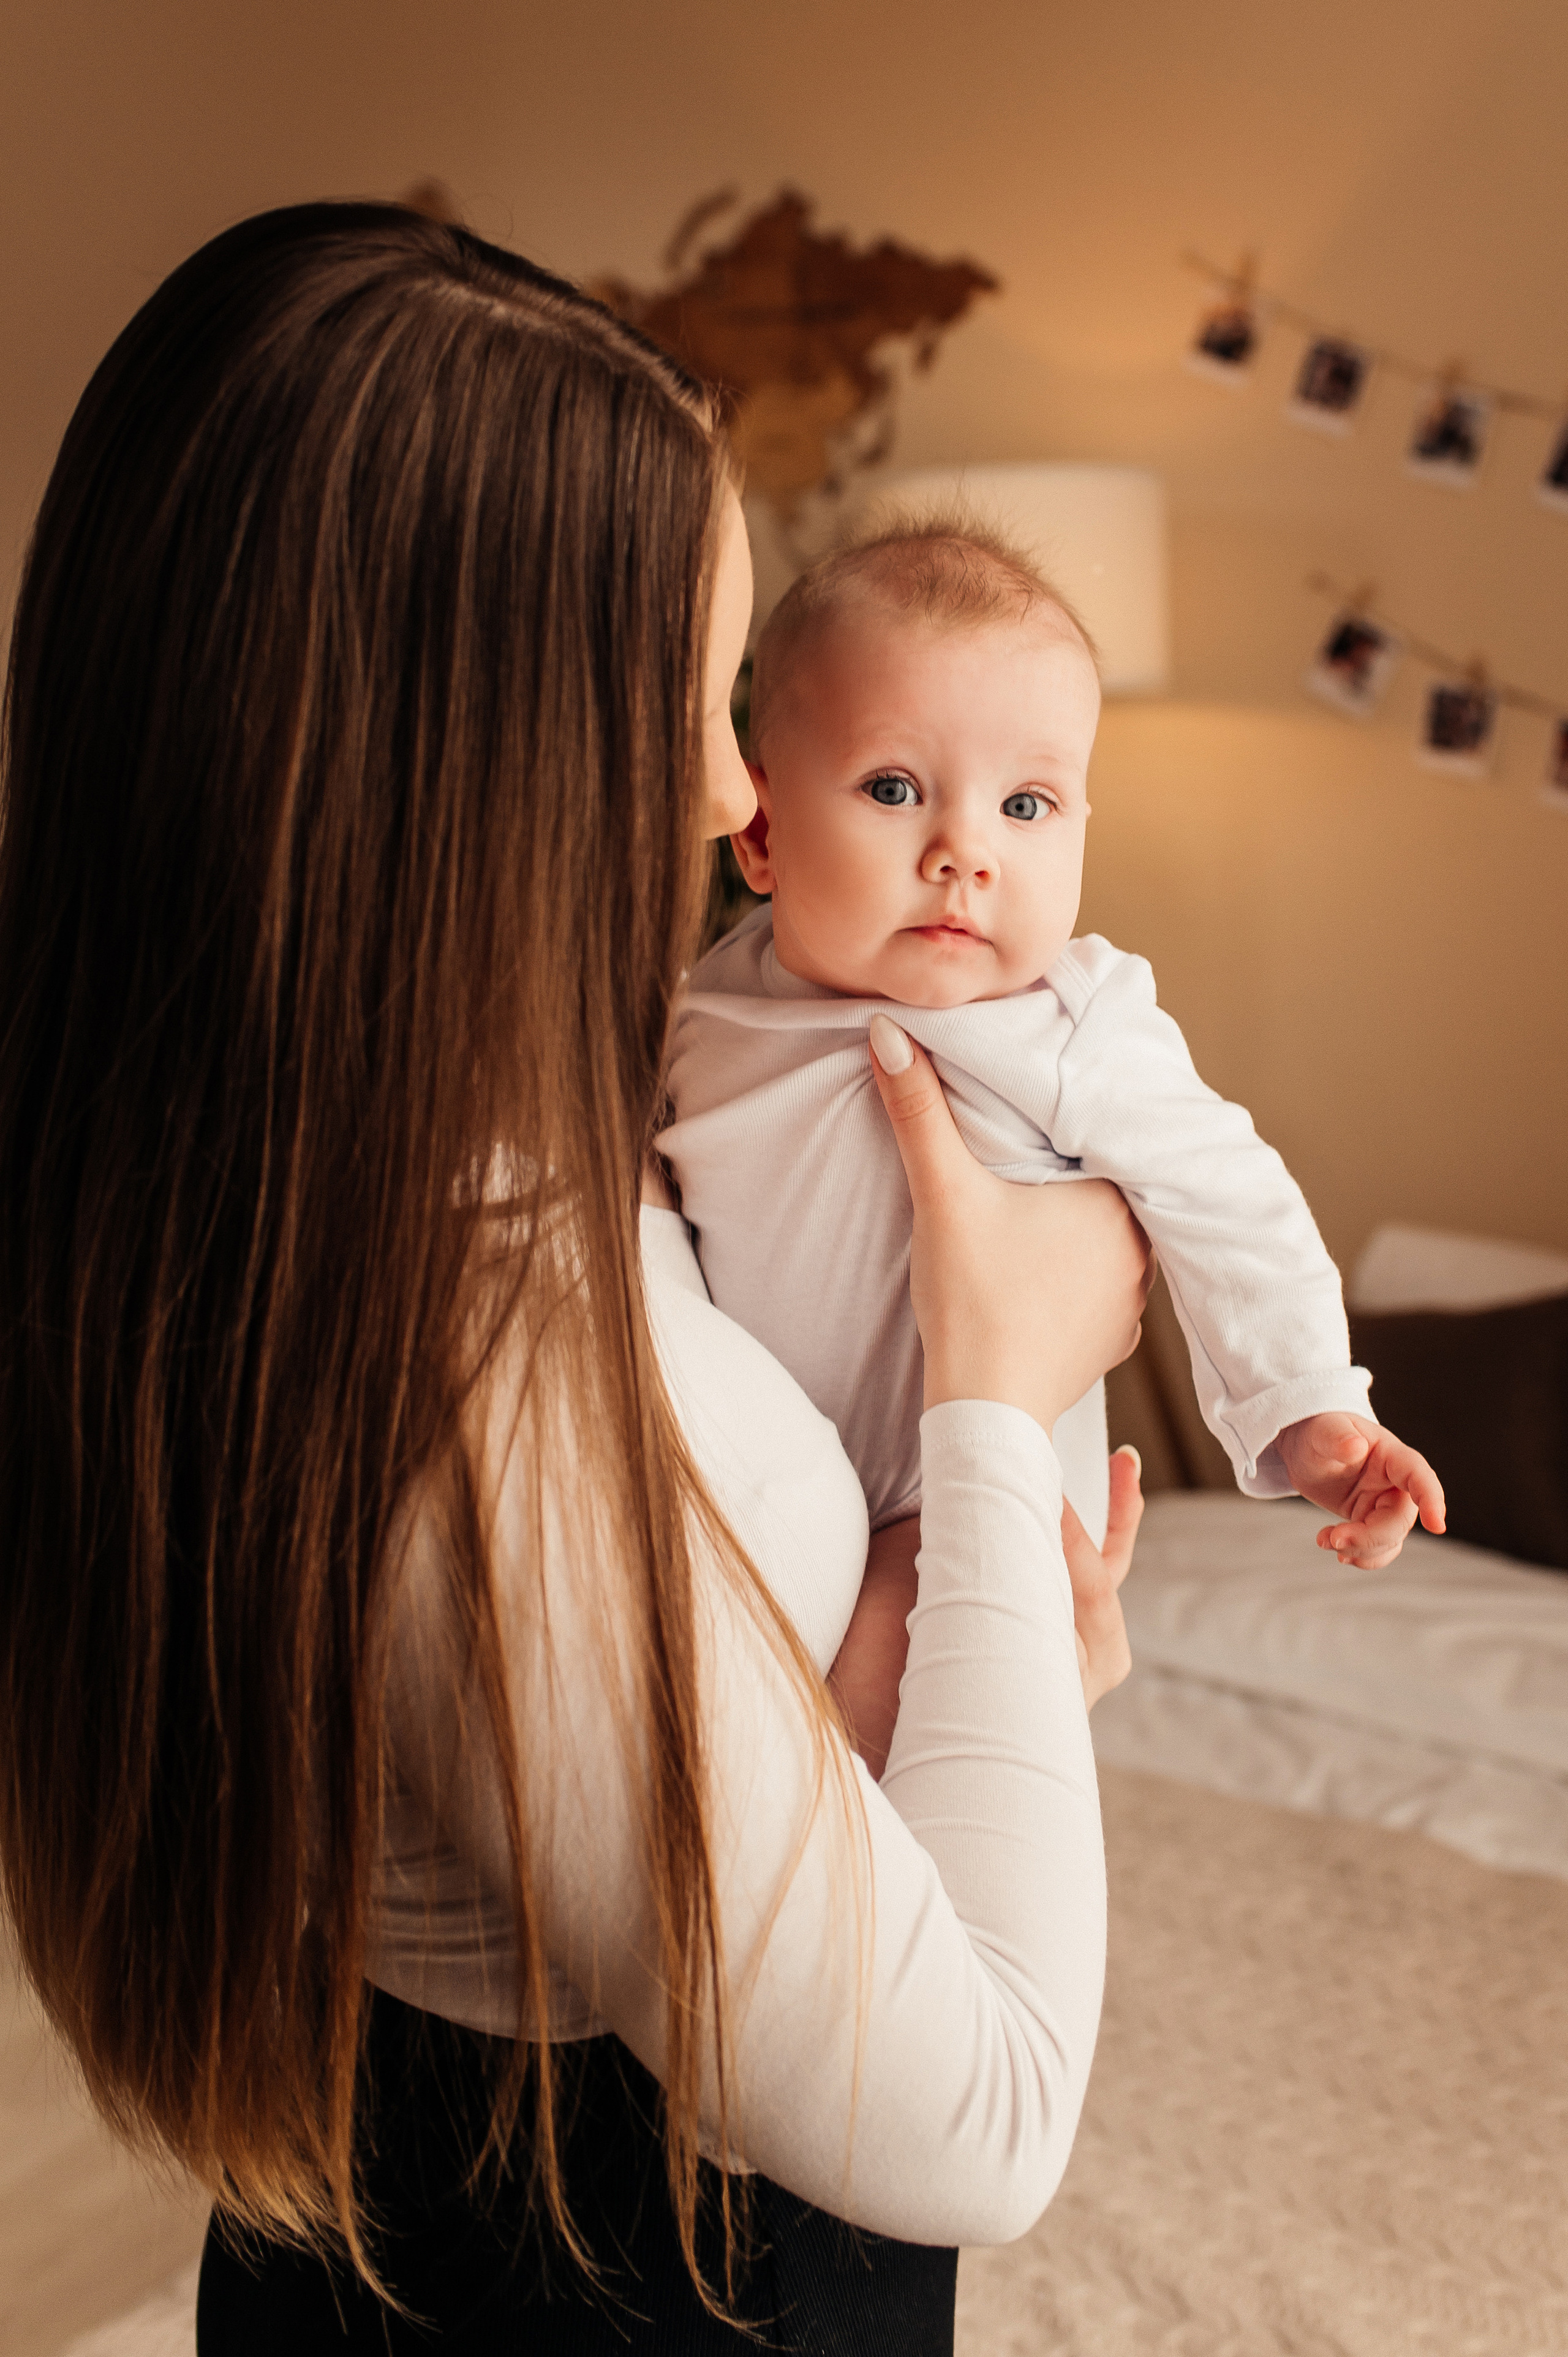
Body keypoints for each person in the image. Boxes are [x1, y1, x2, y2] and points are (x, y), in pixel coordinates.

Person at [0, 205, 1153, 2353]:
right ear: (473, 746)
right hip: (633, 2270)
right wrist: (1002, 1390)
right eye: (696, 696)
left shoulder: (324, 1172)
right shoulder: (463, 1358)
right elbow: (984, 2116)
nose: (739, 784)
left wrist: (918, 1679)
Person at [659, 523, 1446, 1765]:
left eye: (1024, 805)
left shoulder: (1066, 1023)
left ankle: (869, 1914)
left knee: (851, 1727)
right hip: (762, 1480)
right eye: (890, 788)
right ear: (759, 833)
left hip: (959, 1498)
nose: (961, 851)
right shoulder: (704, 1015)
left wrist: (1304, 1408)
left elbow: (1226, 1201)